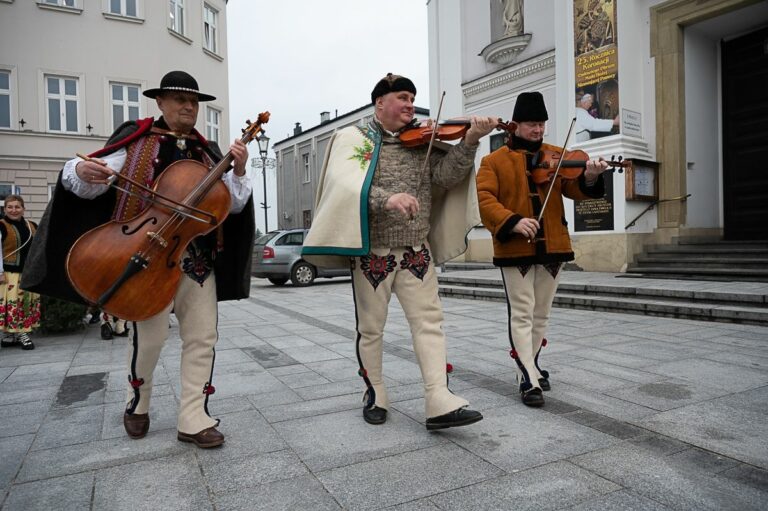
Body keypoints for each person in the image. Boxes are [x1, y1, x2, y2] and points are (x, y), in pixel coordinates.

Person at [22, 71, 255, 448]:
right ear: (160, 103)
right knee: (150, 339)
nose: (188, 107)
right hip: (145, 256)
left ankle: (194, 418)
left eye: (194, 101)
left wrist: (239, 170)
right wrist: (82, 170)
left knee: (202, 338)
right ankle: (138, 401)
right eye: (179, 99)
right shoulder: (137, 140)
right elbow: (82, 179)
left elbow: (235, 205)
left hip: (196, 261)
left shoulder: (209, 152)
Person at [302, 73, 498, 430]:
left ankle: (438, 398)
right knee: (372, 327)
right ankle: (375, 391)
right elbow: (345, 185)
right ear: (380, 103)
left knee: (429, 323)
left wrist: (469, 140)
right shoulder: (354, 139)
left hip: (416, 251)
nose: (410, 104)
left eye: (412, 98)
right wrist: (386, 199)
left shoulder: (423, 141)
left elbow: (445, 178)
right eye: (403, 97)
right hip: (373, 252)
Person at [476, 91, 610, 407]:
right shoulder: (492, 162)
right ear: (516, 126)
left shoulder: (557, 155)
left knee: (541, 313)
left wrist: (590, 177)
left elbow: (574, 189)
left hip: (553, 246)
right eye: (532, 124)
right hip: (515, 248)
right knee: (522, 312)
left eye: (542, 124)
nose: (538, 130)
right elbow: (484, 201)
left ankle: (532, 363)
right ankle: (528, 378)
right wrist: (513, 221)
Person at [0, 195, 41, 351]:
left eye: (17, 207)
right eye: (10, 207)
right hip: (10, 273)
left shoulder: (32, 225)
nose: (14, 210)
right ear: (5, 209)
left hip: (28, 273)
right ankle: (17, 333)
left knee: (25, 303)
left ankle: (19, 333)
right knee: (13, 304)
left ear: (23, 208)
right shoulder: (1, 226)